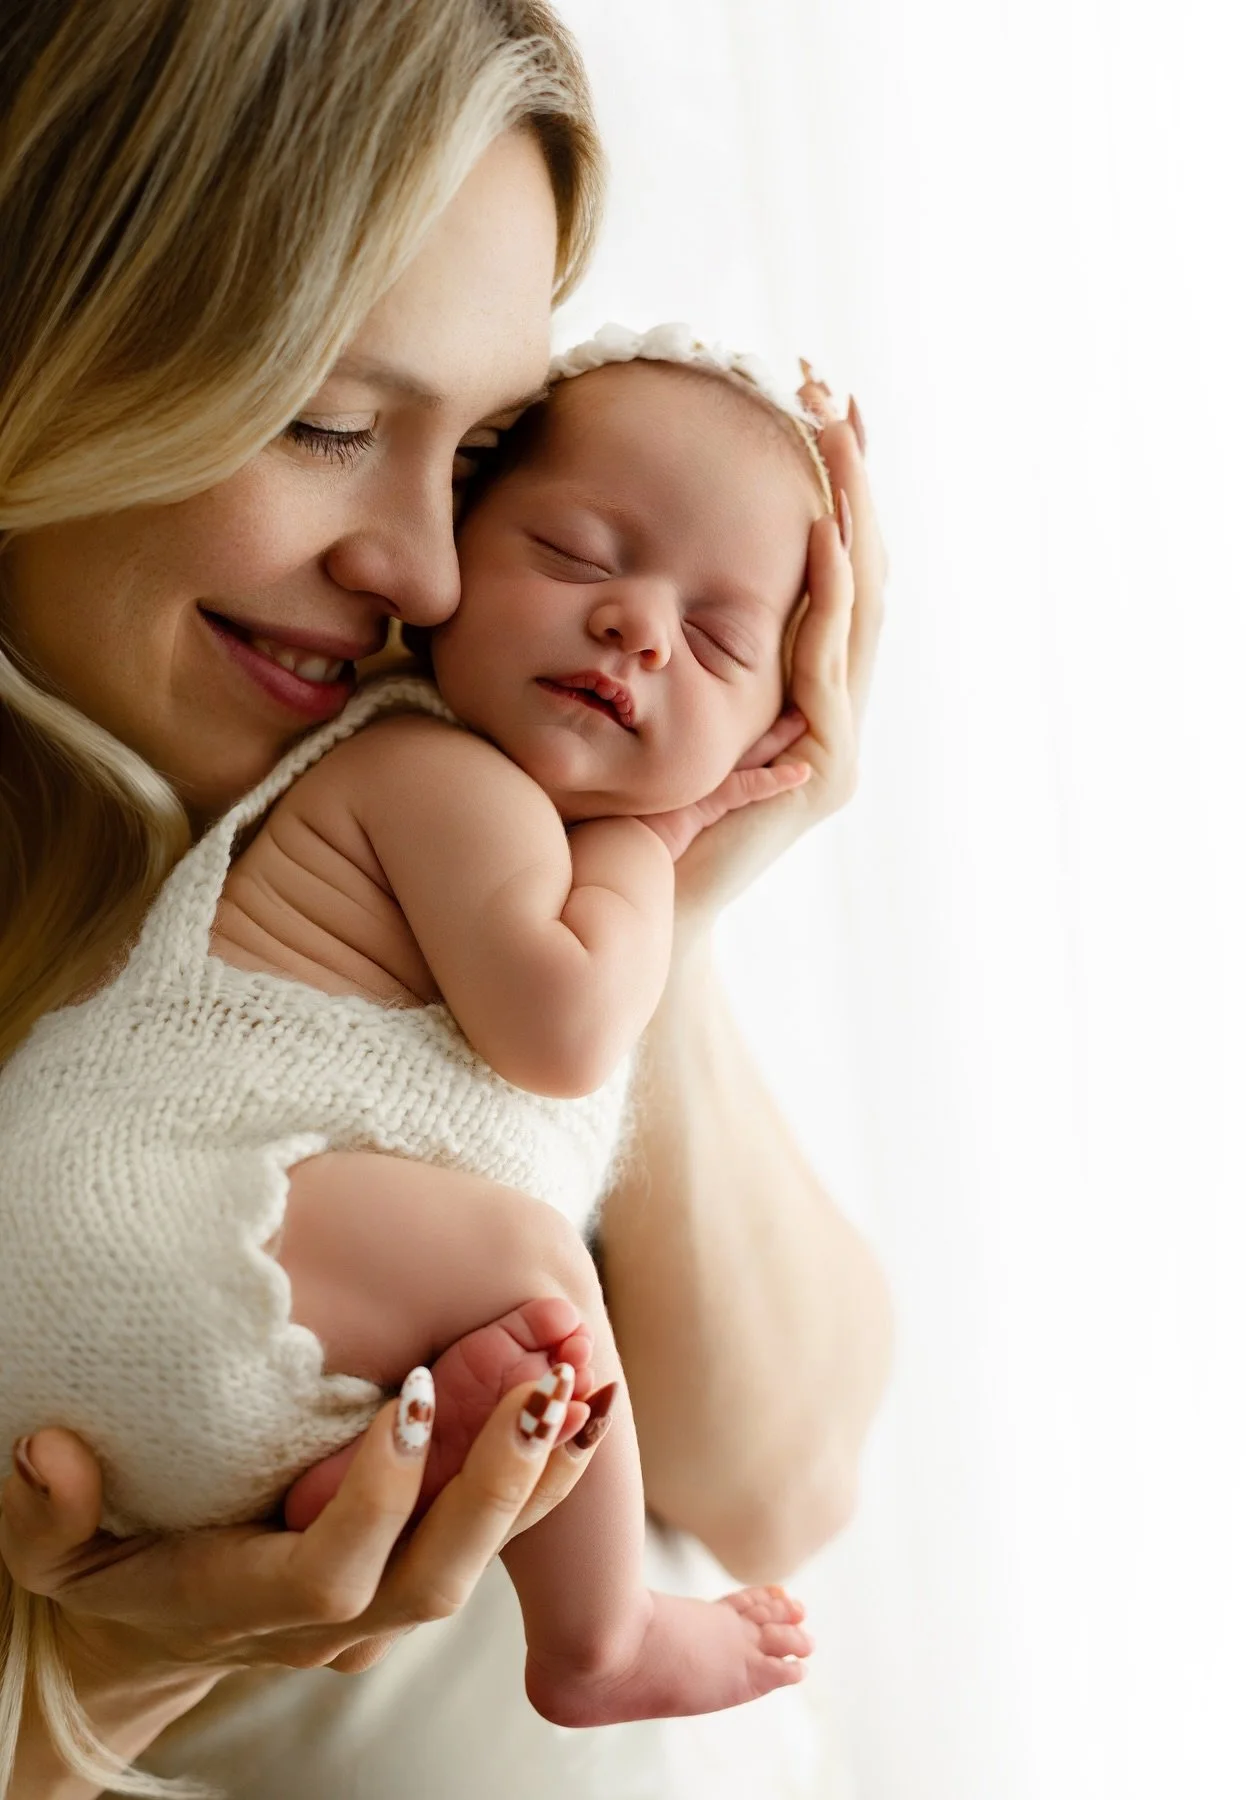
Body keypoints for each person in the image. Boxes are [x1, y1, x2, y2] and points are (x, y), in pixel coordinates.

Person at [0, 4, 889, 1796]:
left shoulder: (411, 771)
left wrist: (671, 879)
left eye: (482, 462)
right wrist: (87, 1685)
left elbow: (776, 1485)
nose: (414, 565)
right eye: (327, 423)